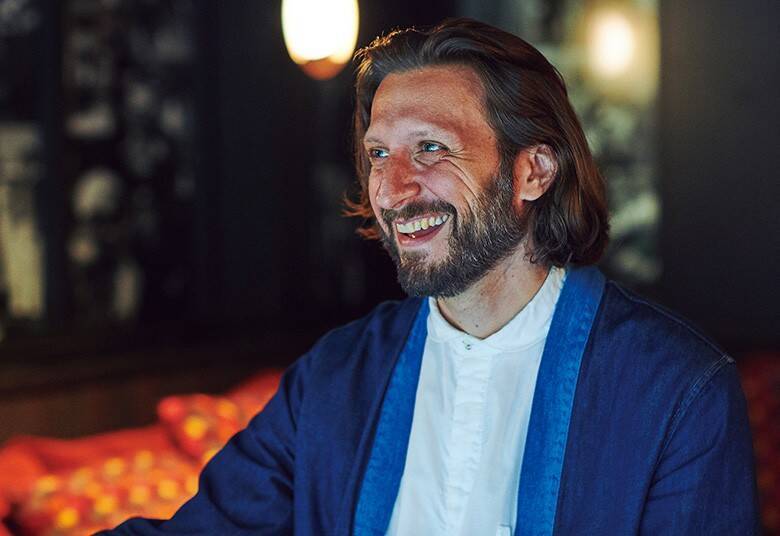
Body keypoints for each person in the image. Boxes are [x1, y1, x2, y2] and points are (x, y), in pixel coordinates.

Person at [106, 18, 759, 535]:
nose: (393, 189)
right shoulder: (334, 376)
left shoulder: (678, 390)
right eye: (378, 154)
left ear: (533, 172)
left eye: (431, 148)